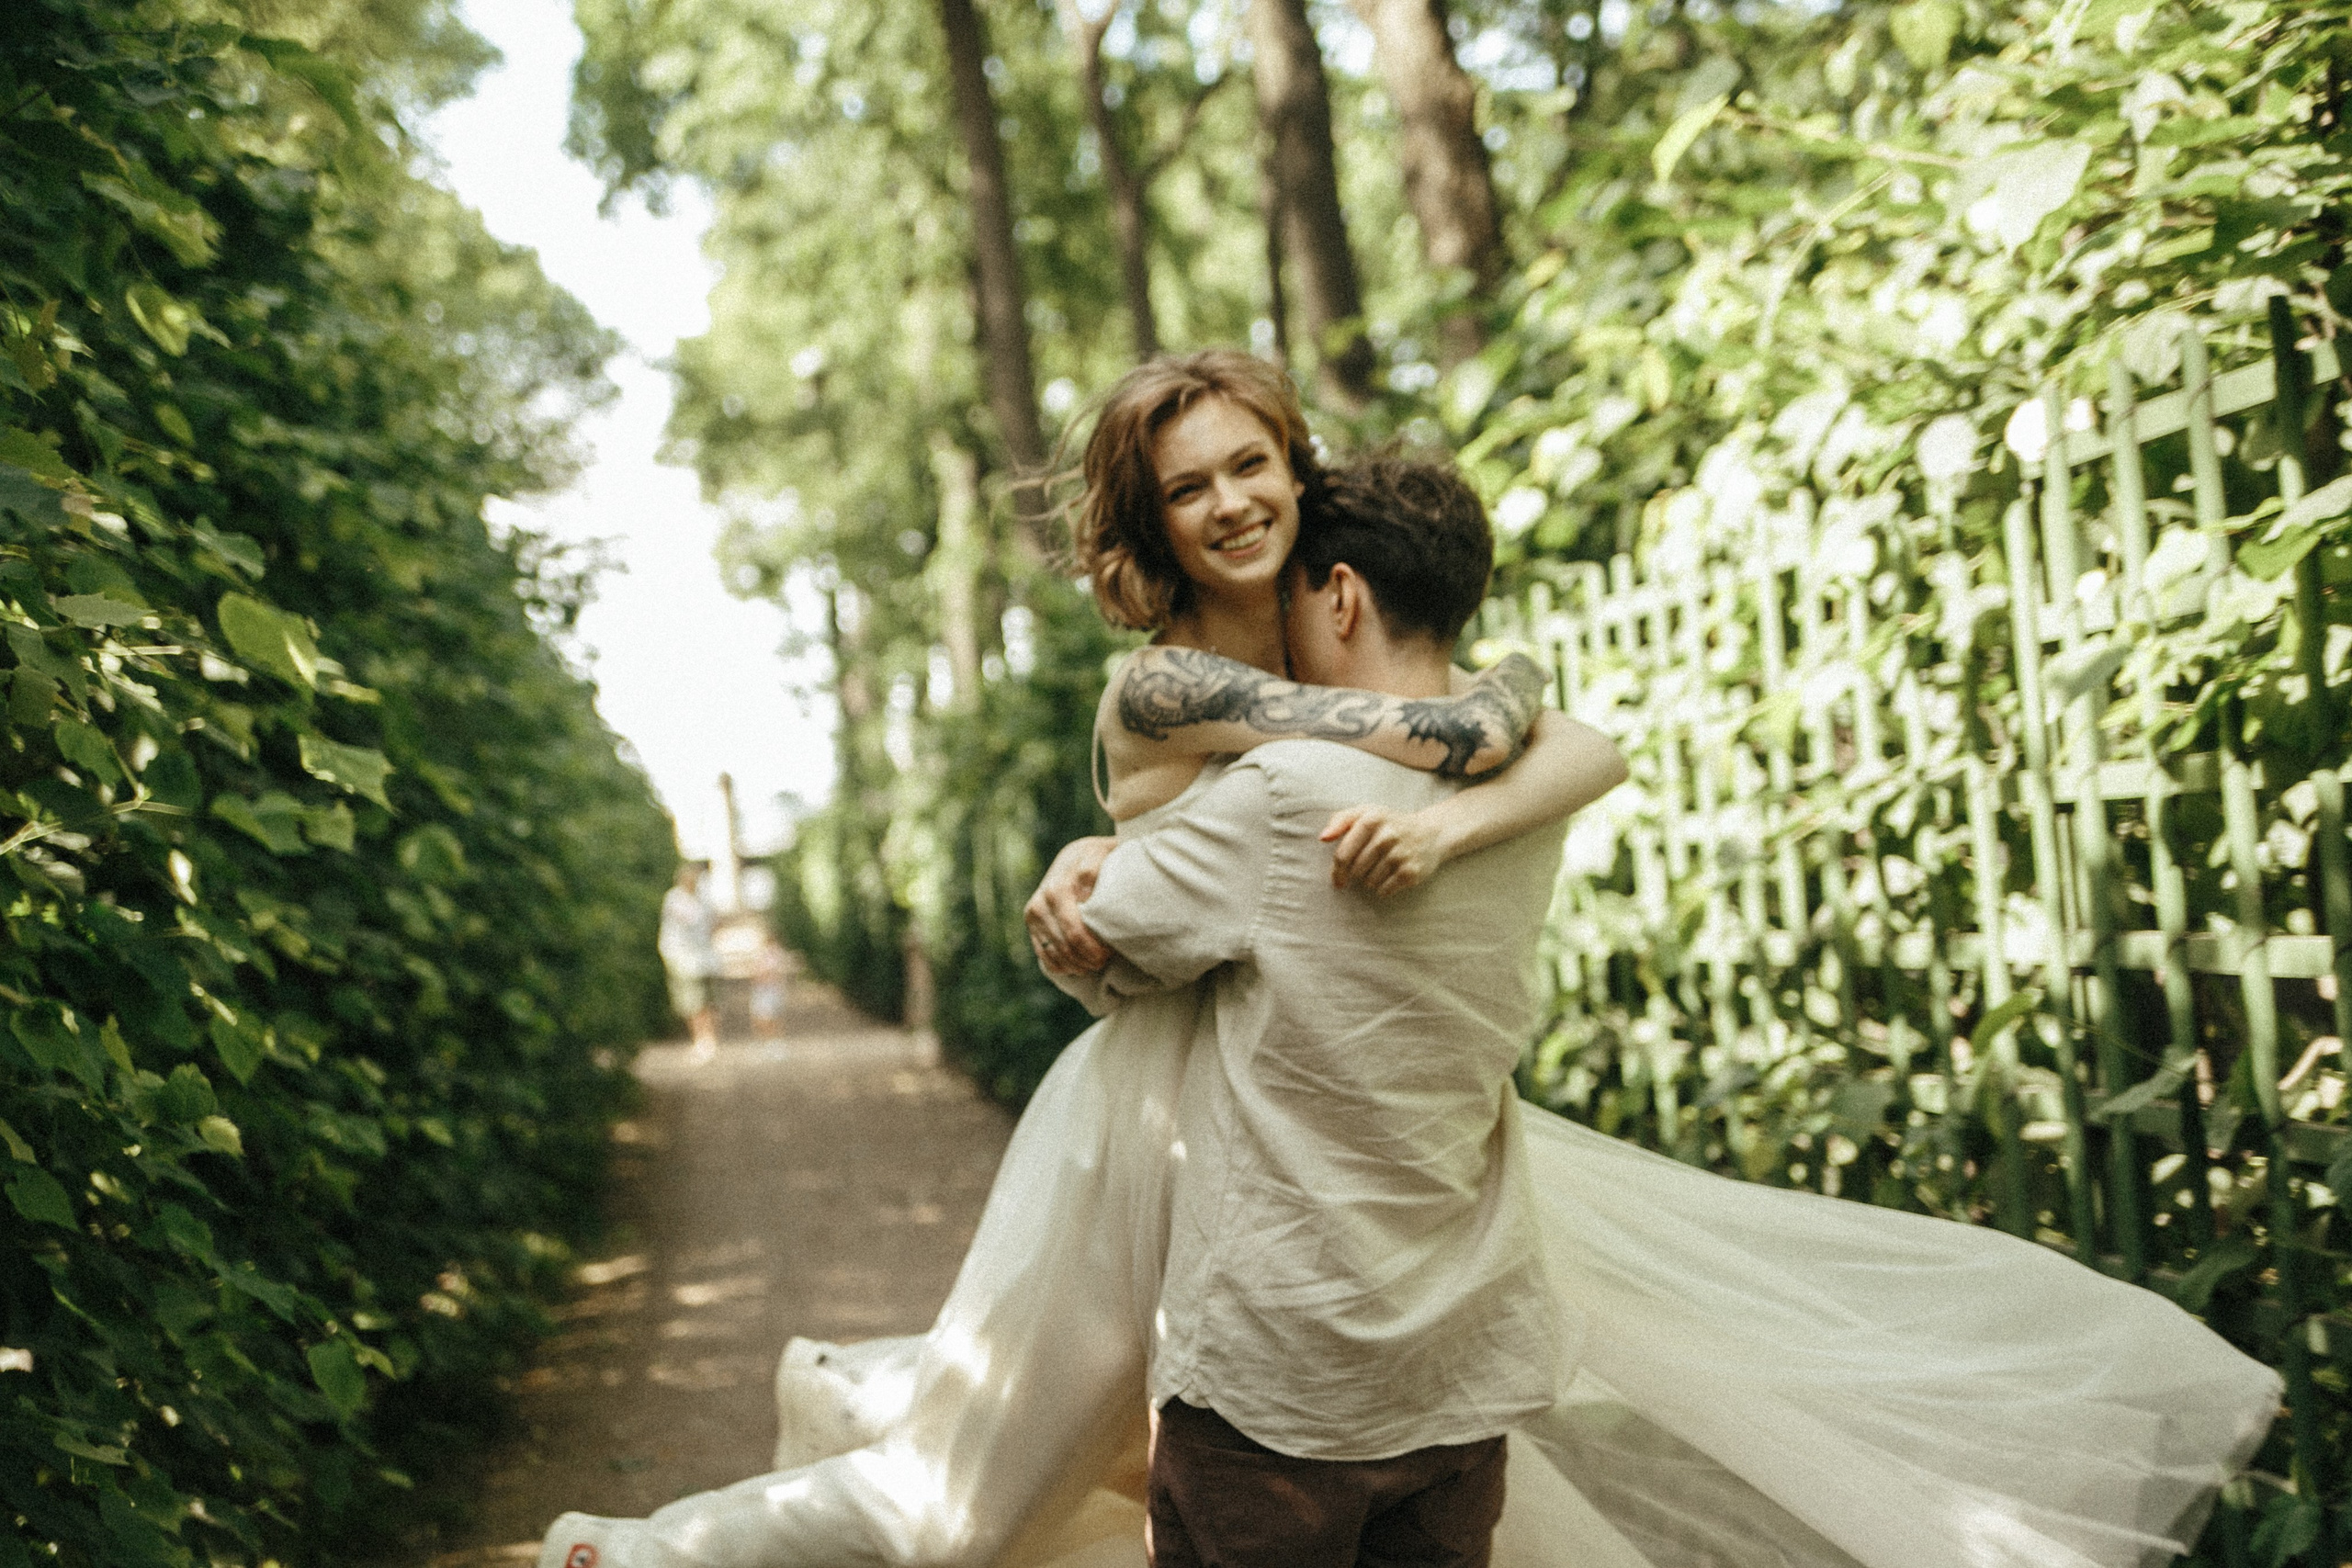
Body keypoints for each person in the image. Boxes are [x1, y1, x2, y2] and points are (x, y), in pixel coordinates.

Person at [537, 355, 2279, 1568]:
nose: (1233, 503)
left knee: (1124, 1460)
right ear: (1151, 519)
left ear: (1302, 482)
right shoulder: (1179, 681)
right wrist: (1133, 860)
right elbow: (1444, 731)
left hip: (1275, 1099)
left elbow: (1550, 734)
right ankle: (681, 1524)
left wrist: (1453, 815)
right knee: (993, 1492)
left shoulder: (1353, 645)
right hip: (1150, 1108)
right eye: (1189, 485)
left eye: (1254, 465)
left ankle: (875, 1392)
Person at [1047, 453, 1577, 1566]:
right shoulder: (1525, 792)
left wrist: (1090, 856)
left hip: (1282, 1374)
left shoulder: (1285, 791)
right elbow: (1564, 732)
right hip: (1459, 1365)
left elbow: (1101, 945)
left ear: (1338, 595)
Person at [658, 861, 720, 1058]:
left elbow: (712, 923)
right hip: (684, 959)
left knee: (708, 1001)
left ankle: (708, 1039)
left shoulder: (703, 897)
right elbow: (690, 921)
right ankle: (701, 1039)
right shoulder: (675, 899)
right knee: (692, 1002)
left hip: (704, 959)